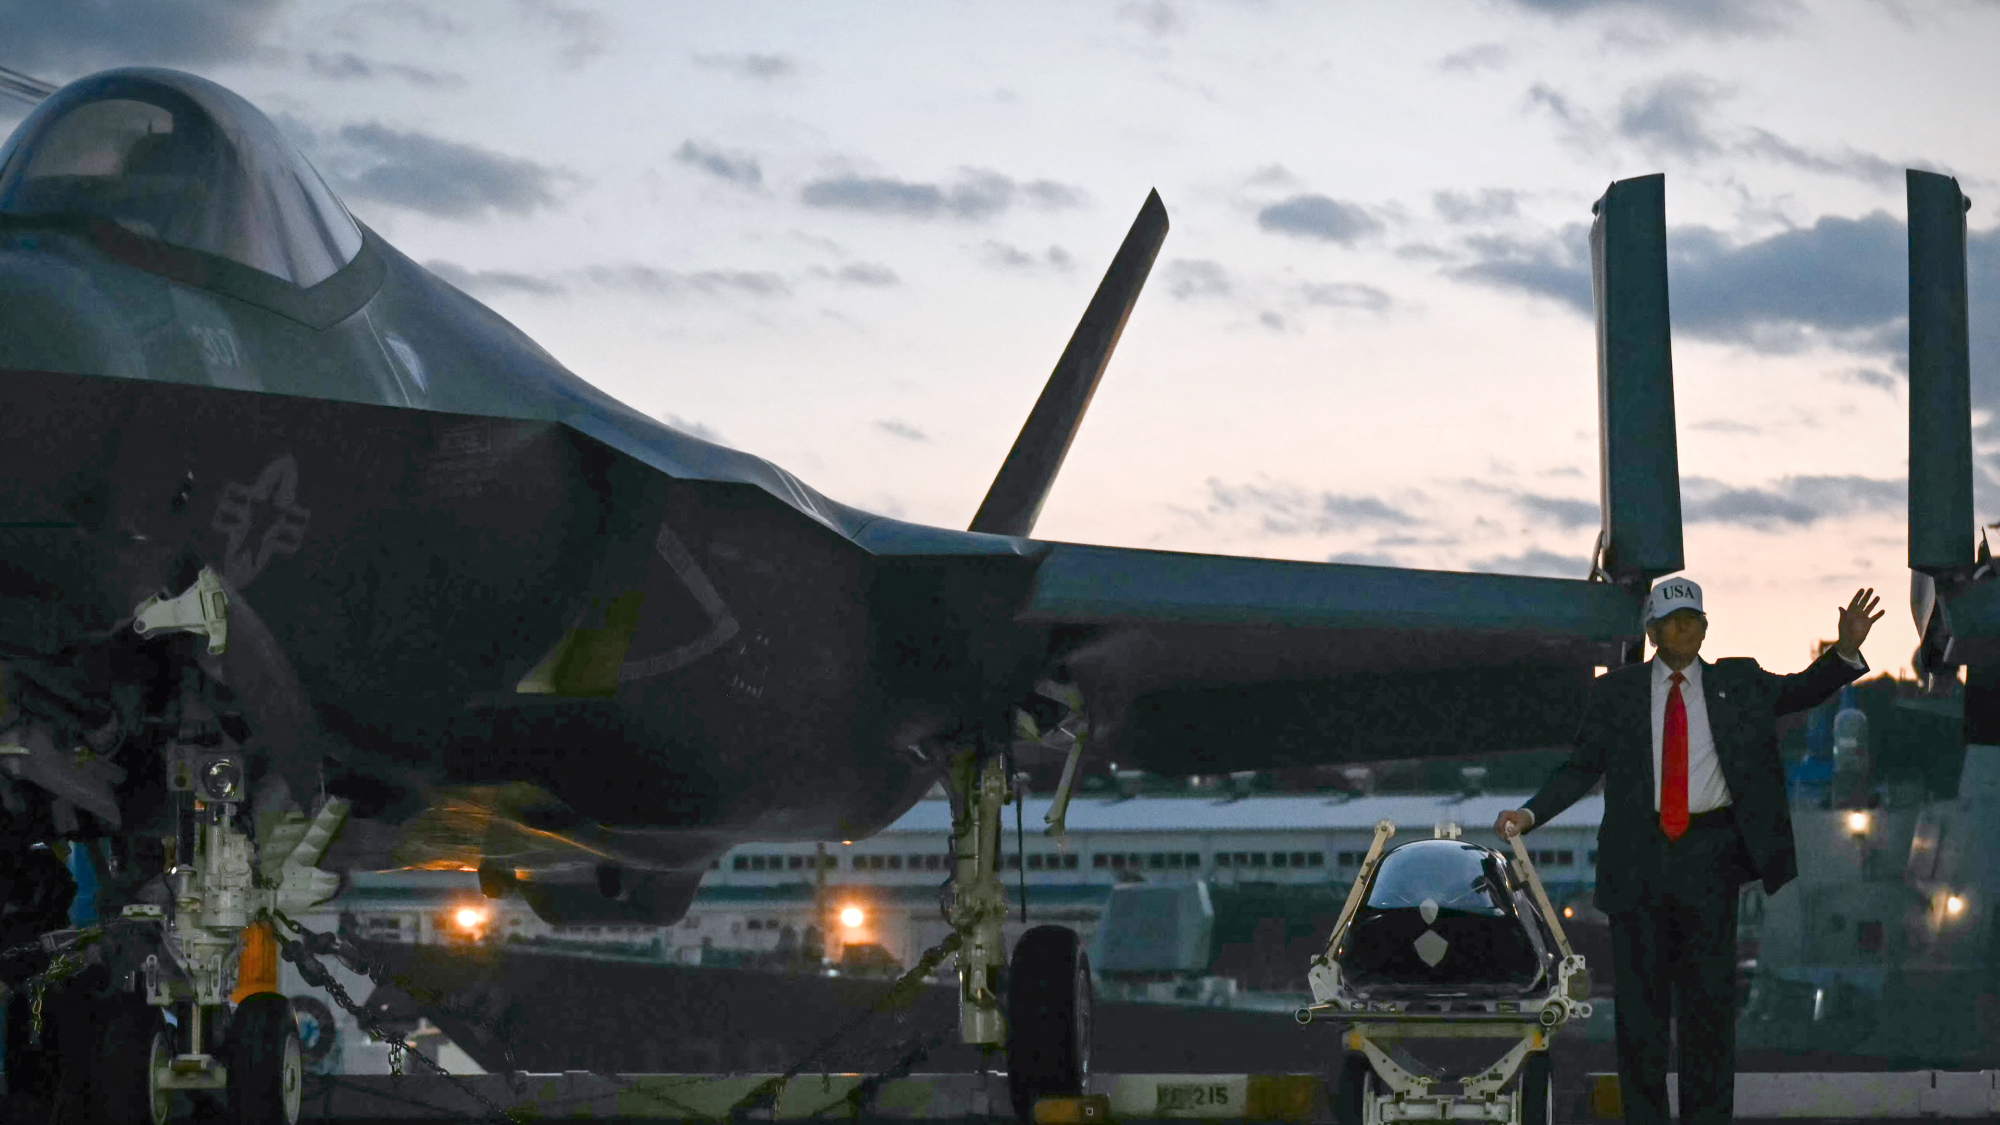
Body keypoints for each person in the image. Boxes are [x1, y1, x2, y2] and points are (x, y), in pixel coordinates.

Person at [1494, 578, 1881, 1125]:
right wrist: (1530, 814)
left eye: (1694, 619)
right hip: (1638, 862)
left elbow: (1801, 690)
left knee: (1709, 1014)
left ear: (1705, 627)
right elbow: (1582, 767)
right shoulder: (1618, 693)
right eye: (1674, 621)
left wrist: (1844, 650)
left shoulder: (1739, 681)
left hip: (1709, 861)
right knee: (1641, 1017)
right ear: (1652, 632)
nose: (1686, 629)